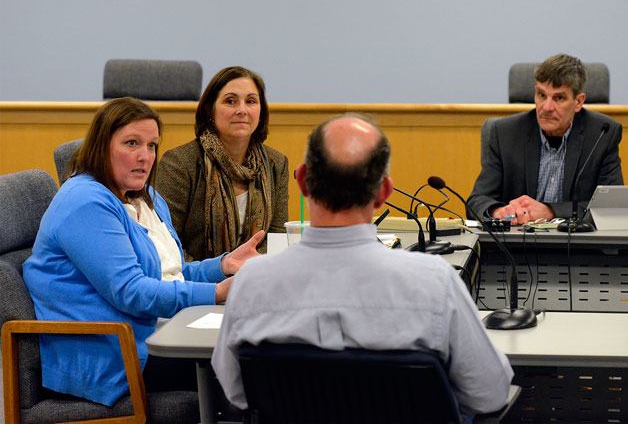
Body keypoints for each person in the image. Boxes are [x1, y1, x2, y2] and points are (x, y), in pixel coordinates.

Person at [211, 113, 514, 418]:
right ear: (384, 192)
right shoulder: (435, 284)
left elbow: (235, 392)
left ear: (302, 180)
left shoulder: (252, 283)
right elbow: (489, 394)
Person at [23, 97, 264, 406]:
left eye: (151, 146)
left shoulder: (143, 196)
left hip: (153, 333)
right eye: (131, 143)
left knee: (259, 356)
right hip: (115, 355)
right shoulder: (86, 203)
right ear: (101, 147)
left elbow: (167, 272)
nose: (144, 157)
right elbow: (131, 291)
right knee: (253, 368)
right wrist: (216, 293)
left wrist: (223, 266)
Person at [468, 54, 623, 225]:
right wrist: (498, 211)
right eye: (541, 95)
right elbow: (477, 201)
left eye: (559, 98)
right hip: (517, 245)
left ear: (578, 102)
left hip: (577, 246)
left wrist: (550, 211)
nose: (547, 107)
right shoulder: (505, 133)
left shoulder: (602, 134)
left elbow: (611, 208)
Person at [156, 66, 288, 260]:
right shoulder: (179, 164)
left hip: (255, 279)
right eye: (230, 101)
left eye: (251, 101)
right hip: (196, 283)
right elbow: (166, 243)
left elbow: (277, 239)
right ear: (210, 109)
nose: (242, 110)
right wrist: (216, 278)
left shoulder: (276, 164)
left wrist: (246, 276)